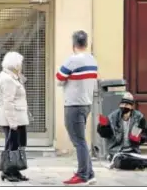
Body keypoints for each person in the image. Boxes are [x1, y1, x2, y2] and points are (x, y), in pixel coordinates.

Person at [56, 30, 98, 185]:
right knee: (81, 139)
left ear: (74, 44)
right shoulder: (93, 60)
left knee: (78, 141)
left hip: (73, 104)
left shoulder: (72, 61)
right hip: (86, 104)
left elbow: (59, 78)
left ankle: (82, 175)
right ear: (86, 43)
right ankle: (90, 173)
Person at [0, 51, 30, 182]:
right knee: (11, 145)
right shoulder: (7, 79)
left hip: (18, 117)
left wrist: (18, 76)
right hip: (12, 118)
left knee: (17, 145)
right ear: (15, 64)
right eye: (20, 63)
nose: (21, 65)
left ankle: (15, 171)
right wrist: (13, 122)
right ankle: (8, 171)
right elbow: (8, 102)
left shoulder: (12, 77)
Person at [97, 92, 147, 164]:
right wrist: (102, 127)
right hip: (117, 151)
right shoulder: (112, 117)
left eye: (127, 104)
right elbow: (105, 134)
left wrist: (140, 138)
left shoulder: (139, 117)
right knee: (123, 163)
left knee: (141, 162)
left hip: (133, 151)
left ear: (131, 106)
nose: (124, 106)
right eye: (122, 104)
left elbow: (144, 134)